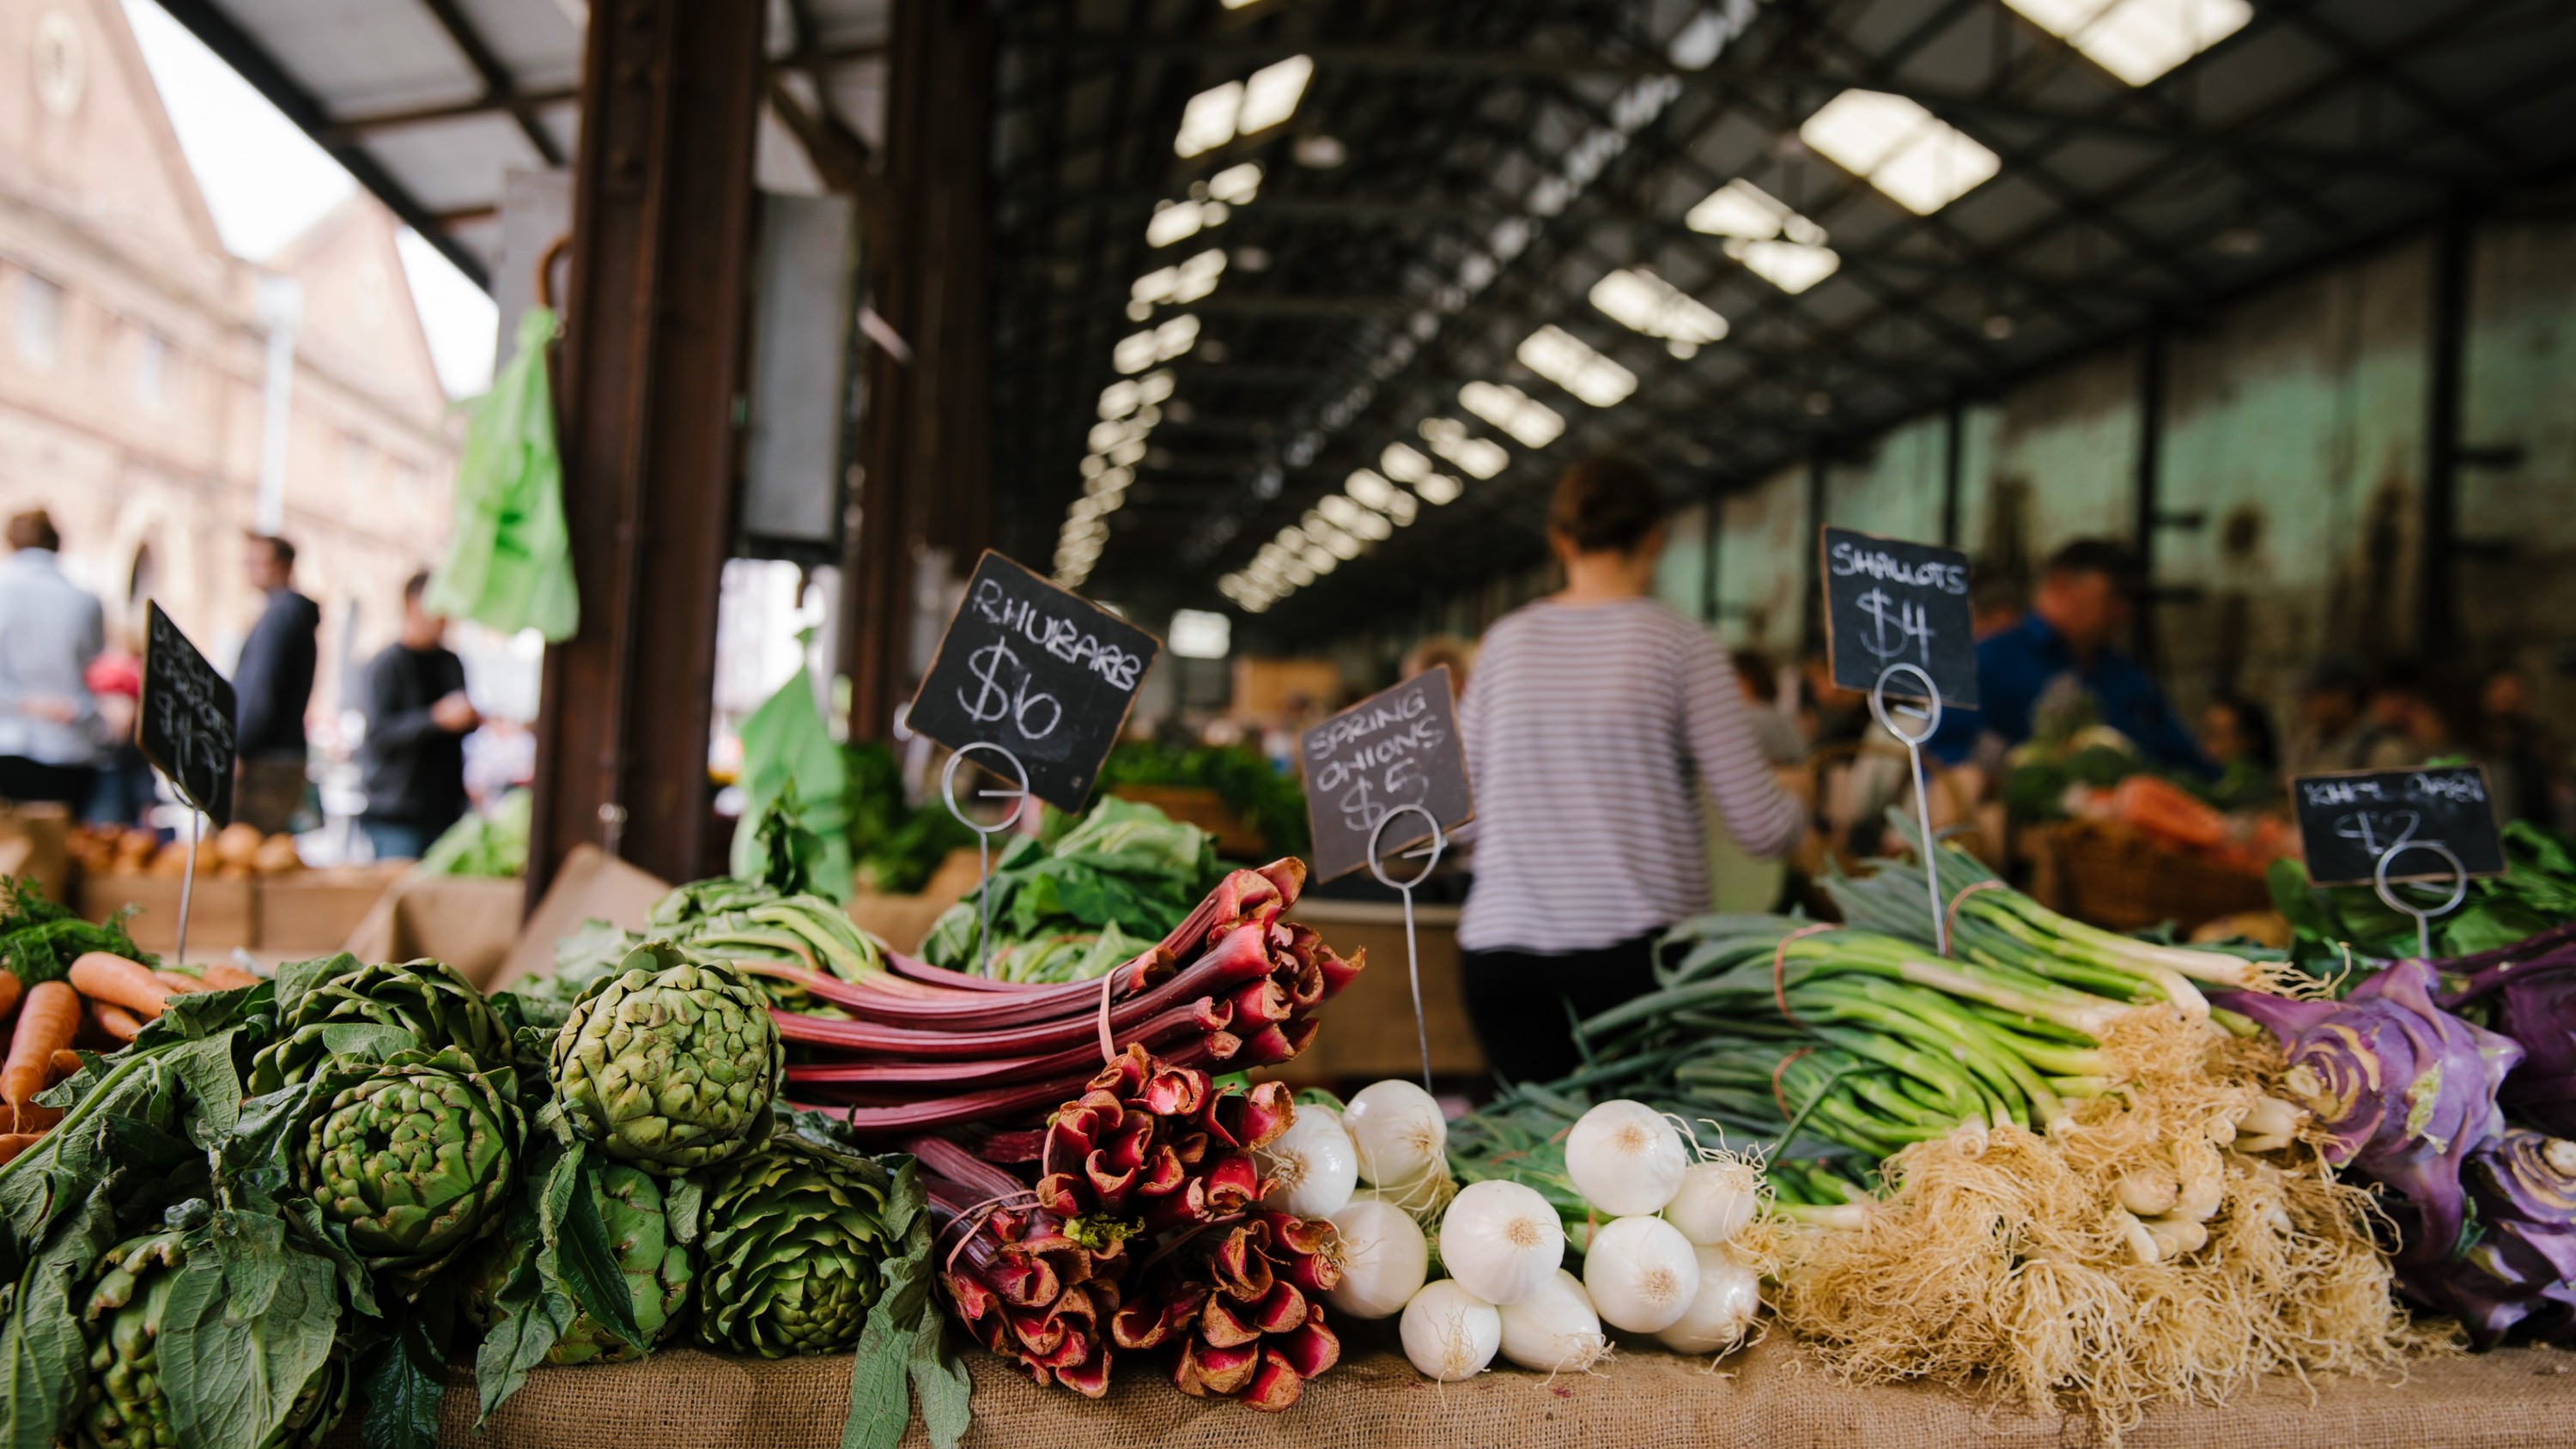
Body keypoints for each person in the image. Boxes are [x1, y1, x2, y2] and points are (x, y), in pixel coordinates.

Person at [1456, 457, 1805, 1083]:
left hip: (1501, 956)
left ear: (1561, 541)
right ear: (1654, 537)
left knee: (1516, 1168)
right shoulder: (1682, 644)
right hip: (1633, 966)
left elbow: (1456, 822)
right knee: (1637, 1168)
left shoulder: (1503, 642)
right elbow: (1760, 828)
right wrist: (1803, 807)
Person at [1926, 540, 2208, 774]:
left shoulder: (2127, 676)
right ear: (2061, 583)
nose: (2123, 613)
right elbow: (1944, 760)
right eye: (2113, 597)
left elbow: (2184, 759)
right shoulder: (1988, 660)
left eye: (2128, 602)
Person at [356, 573, 477, 859]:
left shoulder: (451, 662)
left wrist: (472, 719)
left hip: (446, 808)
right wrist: (434, 719)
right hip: (397, 812)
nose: (444, 618)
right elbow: (378, 735)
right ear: (413, 605)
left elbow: (456, 729)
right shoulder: (387, 665)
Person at [0, 510, 106, 805]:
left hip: (8, 741)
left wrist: (27, 703)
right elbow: (95, 667)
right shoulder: (85, 599)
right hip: (68, 746)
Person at [232, 533, 319, 833]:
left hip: (267, 760)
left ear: (281, 566)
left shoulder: (283, 615)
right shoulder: (287, 614)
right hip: (276, 754)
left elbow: (262, 688)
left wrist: (239, 747)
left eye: (258, 562)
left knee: (244, 848)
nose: (250, 568)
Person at [2478, 668, 2559, 827]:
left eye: (2514, 696)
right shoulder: (2472, 749)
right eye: (2502, 697)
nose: (2508, 704)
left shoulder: (2538, 748)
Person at [2286, 655, 2376, 777]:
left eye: (2314, 696)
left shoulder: (2376, 747)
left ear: (2343, 697)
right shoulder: (2307, 743)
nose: (2306, 704)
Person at [2197, 692, 2279, 807]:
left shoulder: (2251, 783)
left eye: (2219, 736)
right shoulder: (2204, 776)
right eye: (2206, 735)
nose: (2208, 746)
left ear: (2249, 741)